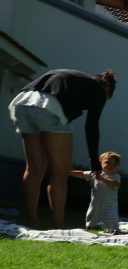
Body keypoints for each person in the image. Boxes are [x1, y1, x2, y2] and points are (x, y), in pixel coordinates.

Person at [8, 69, 117, 229]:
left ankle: (31, 222)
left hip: (22, 104)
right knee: (60, 172)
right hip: (50, 107)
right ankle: (58, 226)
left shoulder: (75, 79)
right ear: (107, 89)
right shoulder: (99, 90)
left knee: (34, 169)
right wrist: (95, 165)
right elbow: (91, 126)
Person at [70, 151, 121, 232]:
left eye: (114, 165)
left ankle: (114, 231)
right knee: (90, 220)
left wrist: (101, 178)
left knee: (113, 224)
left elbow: (114, 184)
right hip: (95, 204)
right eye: (108, 163)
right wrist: (72, 172)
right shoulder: (94, 173)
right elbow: (83, 174)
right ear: (100, 163)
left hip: (110, 206)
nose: (111, 166)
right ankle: (88, 231)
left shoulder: (115, 176)